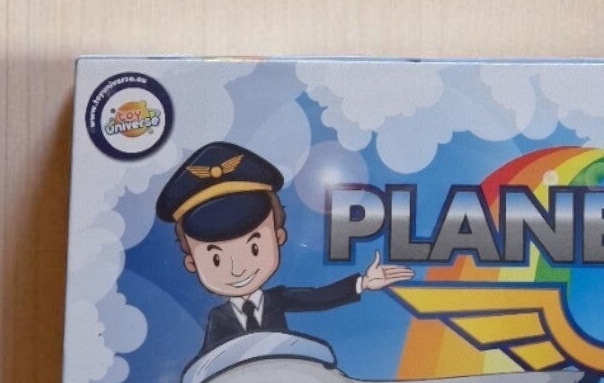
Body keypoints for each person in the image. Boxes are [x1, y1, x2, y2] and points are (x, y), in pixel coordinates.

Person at [155, 140, 413, 361]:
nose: (237, 268)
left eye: (254, 248)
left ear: (279, 237)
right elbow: (207, 360)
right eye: (216, 259)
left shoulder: (277, 299)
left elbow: (317, 298)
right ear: (192, 263)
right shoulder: (218, 317)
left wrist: (362, 282)